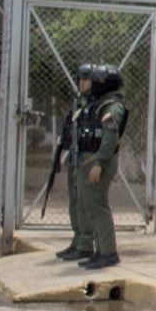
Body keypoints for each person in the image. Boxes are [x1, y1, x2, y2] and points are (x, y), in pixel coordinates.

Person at [71, 63, 130, 270]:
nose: (89, 84)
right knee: (90, 205)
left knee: (98, 205)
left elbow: (109, 139)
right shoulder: (98, 103)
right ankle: (99, 250)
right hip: (90, 160)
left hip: (100, 161)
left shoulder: (113, 106)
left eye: (95, 81)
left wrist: (99, 163)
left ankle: (109, 252)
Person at [53, 65, 97, 262]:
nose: (82, 83)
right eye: (80, 79)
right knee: (73, 200)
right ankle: (77, 238)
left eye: (86, 79)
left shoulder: (97, 104)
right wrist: (60, 152)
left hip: (87, 157)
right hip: (74, 155)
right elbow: (68, 129)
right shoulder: (78, 103)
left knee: (83, 201)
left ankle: (86, 242)